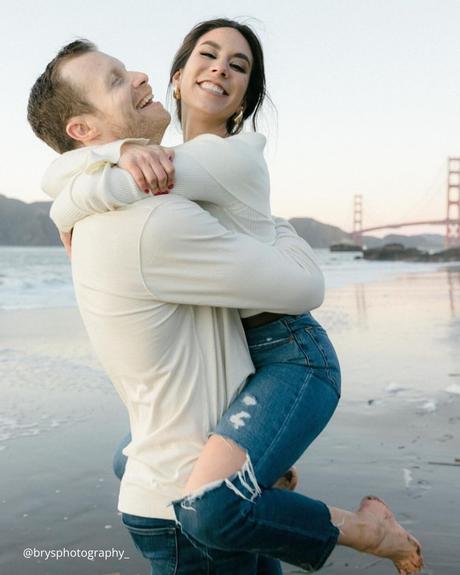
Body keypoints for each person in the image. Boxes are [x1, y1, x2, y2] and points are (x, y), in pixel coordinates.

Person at [29, 23, 423, 575]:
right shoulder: (154, 157)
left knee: (210, 506)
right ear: (178, 75)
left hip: (285, 345)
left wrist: (70, 206)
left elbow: (115, 183)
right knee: (131, 458)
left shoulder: (230, 156)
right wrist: (115, 155)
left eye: (239, 66)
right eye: (208, 55)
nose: (221, 68)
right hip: (239, 349)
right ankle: (267, 480)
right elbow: (75, 166)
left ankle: (362, 529)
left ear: (246, 95)